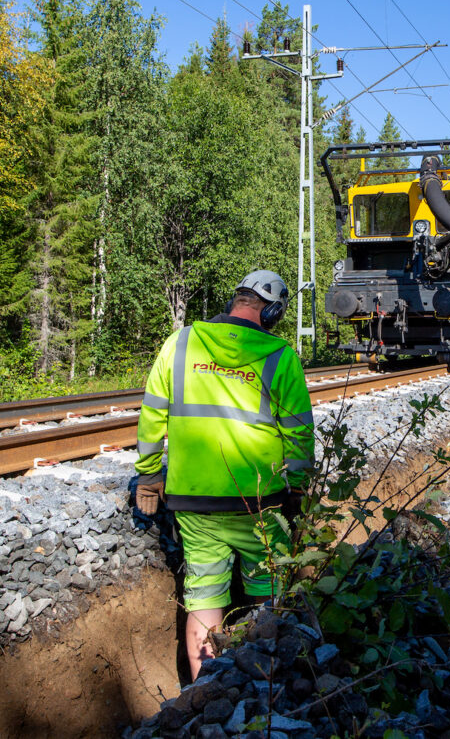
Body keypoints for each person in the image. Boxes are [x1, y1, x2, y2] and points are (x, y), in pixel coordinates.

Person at [132, 271, 315, 679]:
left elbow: (152, 415)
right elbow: (299, 433)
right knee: (267, 596)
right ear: (273, 310)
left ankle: (204, 691)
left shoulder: (180, 343)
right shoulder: (280, 356)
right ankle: (262, 684)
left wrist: (148, 476)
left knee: (203, 598)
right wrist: (299, 489)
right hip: (260, 503)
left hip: (194, 502)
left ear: (237, 300)